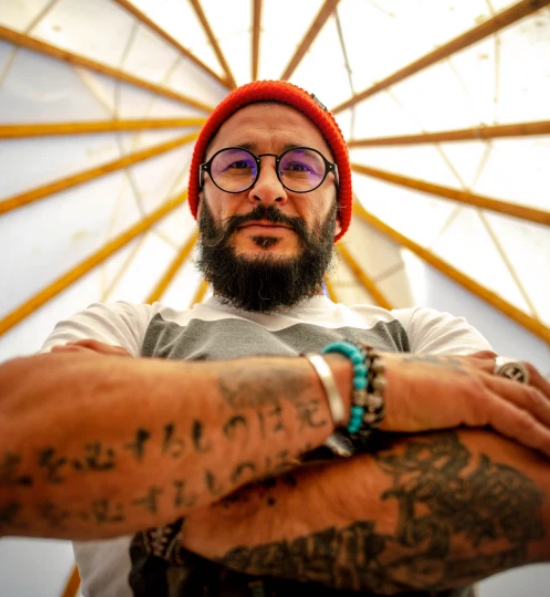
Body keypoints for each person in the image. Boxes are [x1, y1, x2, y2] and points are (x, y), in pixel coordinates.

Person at [0, 81, 549, 597]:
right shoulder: (128, 329)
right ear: (201, 202)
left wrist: (201, 515)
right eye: (237, 165)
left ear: (337, 210)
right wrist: (356, 388)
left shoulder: (421, 333)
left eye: (300, 166)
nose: (267, 188)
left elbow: (526, 487)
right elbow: (19, 441)